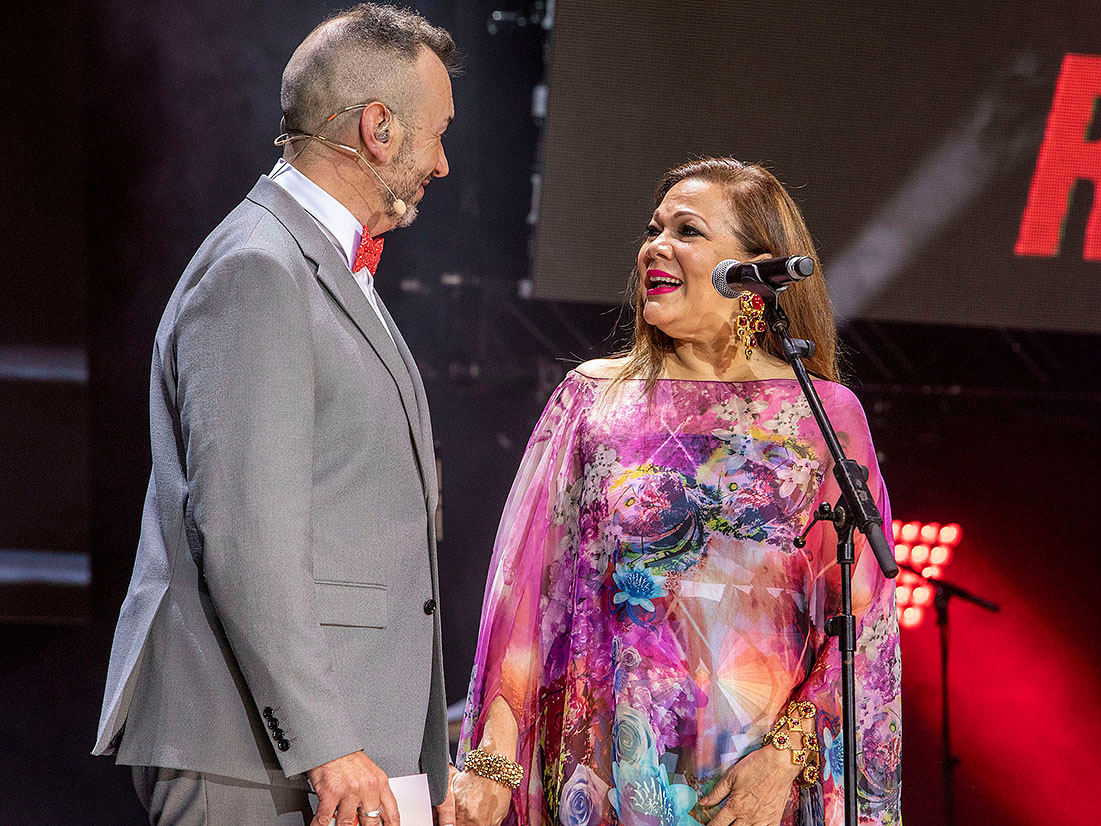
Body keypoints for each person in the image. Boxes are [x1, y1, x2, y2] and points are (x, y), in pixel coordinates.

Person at [93, 5, 460, 825]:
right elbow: (245, 531)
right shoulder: (259, 269)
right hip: (252, 755)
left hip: (330, 747)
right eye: (437, 134)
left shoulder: (318, 263)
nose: (442, 163)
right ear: (378, 130)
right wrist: (326, 742)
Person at [452, 158, 901, 826]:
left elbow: (863, 618)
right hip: (610, 776)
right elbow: (524, 596)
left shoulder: (822, 416)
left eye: (687, 231)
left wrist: (785, 758)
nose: (655, 247)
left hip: (757, 790)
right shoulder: (592, 401)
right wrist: (491, 766)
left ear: (755, 272)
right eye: (653, 229)